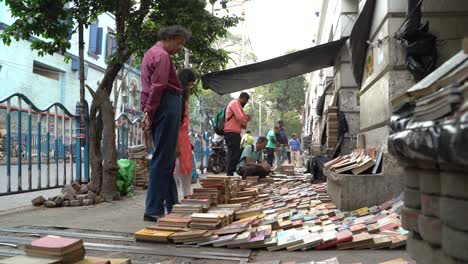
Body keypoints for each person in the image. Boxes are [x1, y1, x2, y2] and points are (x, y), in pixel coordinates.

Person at [140, 25, 191, 222]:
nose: (180, 48)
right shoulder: (162, 56)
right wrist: (150, 112)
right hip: (166, 104)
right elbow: (158, 86)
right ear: (172, 38)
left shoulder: (150, 54)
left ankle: (173, 204)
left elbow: (148, 89)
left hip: (160, 105)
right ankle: (152, 208)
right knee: (162, 158)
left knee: (167, 157)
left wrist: (148, 110)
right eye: (180, 44)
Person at [174, 69, 196, 202]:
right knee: (178, 167)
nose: (190, 87)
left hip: (183, 136)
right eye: (189, 84)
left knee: (186, 167)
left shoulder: (183, 96)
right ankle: (175, 197)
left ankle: (186, 195)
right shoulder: (178, 96)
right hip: (177, 135)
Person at [224, 92, 251, 176]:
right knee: (233, 154)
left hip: (236, 133)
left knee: (235, 153)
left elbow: (244, 125)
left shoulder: (239, 108)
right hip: (230, 132)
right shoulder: (234, 103)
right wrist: (245, 118)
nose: (245, 103)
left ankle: (231, 173)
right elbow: (240, 118)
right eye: (245, 101)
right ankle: (229, 174)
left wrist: (245, 119)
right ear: (243, 98)